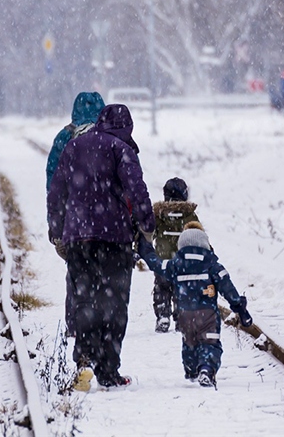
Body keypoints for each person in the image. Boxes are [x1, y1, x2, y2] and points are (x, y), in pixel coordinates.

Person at [47, 103, 156, 391]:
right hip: (115, 239)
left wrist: (57, 229)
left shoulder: (75, 146)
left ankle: (84, 361)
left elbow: (57, 190)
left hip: (79, 239)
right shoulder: (122, 149)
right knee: (114, 304)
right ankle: (108, 370)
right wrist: (147, 224)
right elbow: (137, 189)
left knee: (84, 298)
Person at [136, 224, 253, 388]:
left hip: (185, 314)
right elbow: (228, 288)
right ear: (205, 243)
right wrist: (239, 306)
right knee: (209, 343)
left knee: (189, 342)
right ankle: (206, 369)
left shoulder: (176, 264)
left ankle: (191, 370)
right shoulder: (212, 265)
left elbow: (157, 265)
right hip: (208, 314)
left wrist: (145, 250)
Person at [45, 91, 106, 338]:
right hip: (106, 220)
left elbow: (53, 184)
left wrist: (55, 223)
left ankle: (75, 323)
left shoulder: (65, 138)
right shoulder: (109, 137)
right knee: (105, 272)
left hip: (74, 220)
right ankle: (103, 323)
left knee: (77, 272)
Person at [151, 177, 200, 333]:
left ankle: (162, 316)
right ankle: (181, 318)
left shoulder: (158, 215)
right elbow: (198, 235)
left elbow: (149, 232)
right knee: (182, 289)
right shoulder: (189, 216)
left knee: (161, 289)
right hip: (183, 262)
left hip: (162, 262)